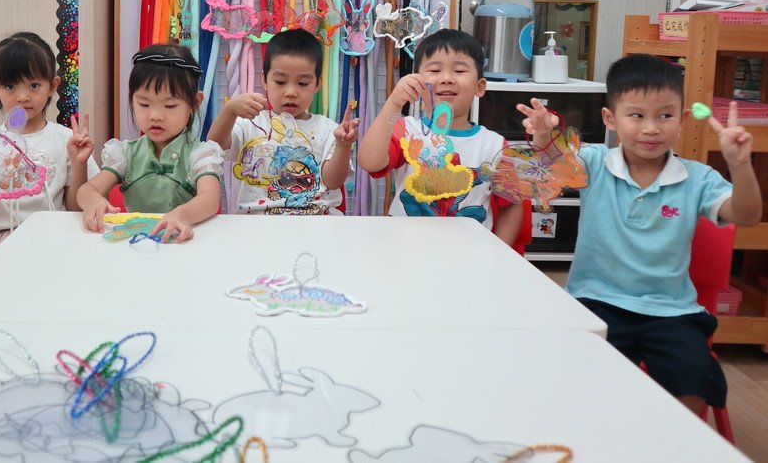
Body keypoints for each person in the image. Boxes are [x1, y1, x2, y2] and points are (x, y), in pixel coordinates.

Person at [518, 53, 762, 414]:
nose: (651, 128)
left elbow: (748, 215)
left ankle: (675, 438)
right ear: (610, 119)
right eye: (636, 115)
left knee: (693, 379)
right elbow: (545, 170)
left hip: (672, 311)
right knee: (577, 380)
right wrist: (542, 135)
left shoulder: (698, 178)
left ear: (681, 120)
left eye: (664, 116)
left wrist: (740, 165)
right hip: (596, 302)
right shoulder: (594, 163)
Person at [0, 32, 99, 270]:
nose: (23, 97)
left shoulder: (66, 139)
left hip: (54, 242)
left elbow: (75, 209)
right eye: (10, 86)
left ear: (53, 86)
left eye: (34, 85)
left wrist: (79, 163)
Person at [358, 29, 522, 244]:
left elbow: (512, 204)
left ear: (480, 86)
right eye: (435, 70)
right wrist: (395, 101)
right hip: (406, 248)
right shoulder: (408, 130)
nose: (446, 79)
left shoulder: (495, 145)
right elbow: (369, 162)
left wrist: (499, 252)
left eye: (459, 70)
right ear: (417, 81)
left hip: (470, 253)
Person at [78, 43, 223, 241]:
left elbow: (210, 198)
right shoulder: (126, 153)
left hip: (184, 243)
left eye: (170, 105)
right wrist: (93, 200)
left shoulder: (201, 154)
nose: (155, 116)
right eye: (144, 104)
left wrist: (182, 215)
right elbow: (87, 190)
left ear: (195, 103)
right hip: (137, 243)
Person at [208, 28, 358, 215]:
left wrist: (343, 146)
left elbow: (333, 182)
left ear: (317, 84)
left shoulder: (328, 129)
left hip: (316, 222)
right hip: (256, 224)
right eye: (280, 81)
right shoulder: (251, 123)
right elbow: (214, 145)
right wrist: (229, 111)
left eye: (303, 83)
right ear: (264, 80)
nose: (291, 92)